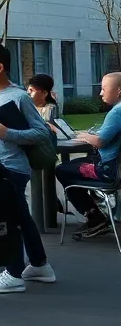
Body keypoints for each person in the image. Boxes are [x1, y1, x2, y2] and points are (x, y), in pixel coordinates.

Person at [0, 41, 56, 293]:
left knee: (7, 219)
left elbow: (41, 132)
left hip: (12, 168)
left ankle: (13, 273)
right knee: (21, 216)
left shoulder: (19, 96)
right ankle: (40, 265)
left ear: (0, 67)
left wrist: (9, 133)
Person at [55, 71, 121, 239]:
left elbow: (100, 141)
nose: (100, 93)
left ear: (118, 91)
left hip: (107, 170)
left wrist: (83, 135)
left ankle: (95, 217)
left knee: (62, 170)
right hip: (114, 167)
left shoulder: (117, 112)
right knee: (75, 166)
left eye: (104, 89)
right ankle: (97, 211)